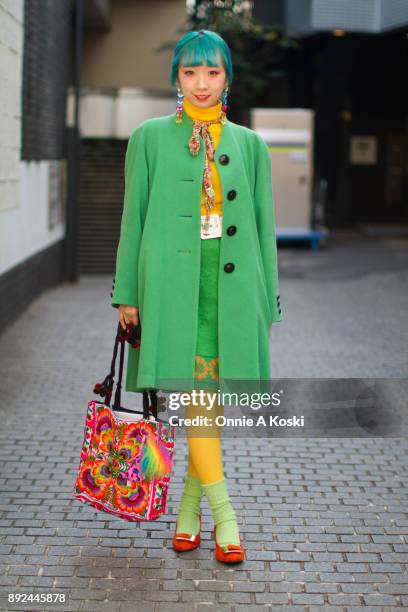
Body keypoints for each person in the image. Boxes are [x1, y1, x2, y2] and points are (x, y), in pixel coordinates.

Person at [111, 29, 282, 564]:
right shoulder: (149, 137)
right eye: (190, 72)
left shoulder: (251, 146)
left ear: (227, 77)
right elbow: (132, 221)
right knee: (198, 407)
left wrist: (267, 302)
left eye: (212, 72)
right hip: (169, 292)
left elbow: (264, 228)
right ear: (175, 77)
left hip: (229, 293)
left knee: (203, 408)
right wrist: (127, 295)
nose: (201, 84)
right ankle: (225, 519)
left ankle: (188, 514)